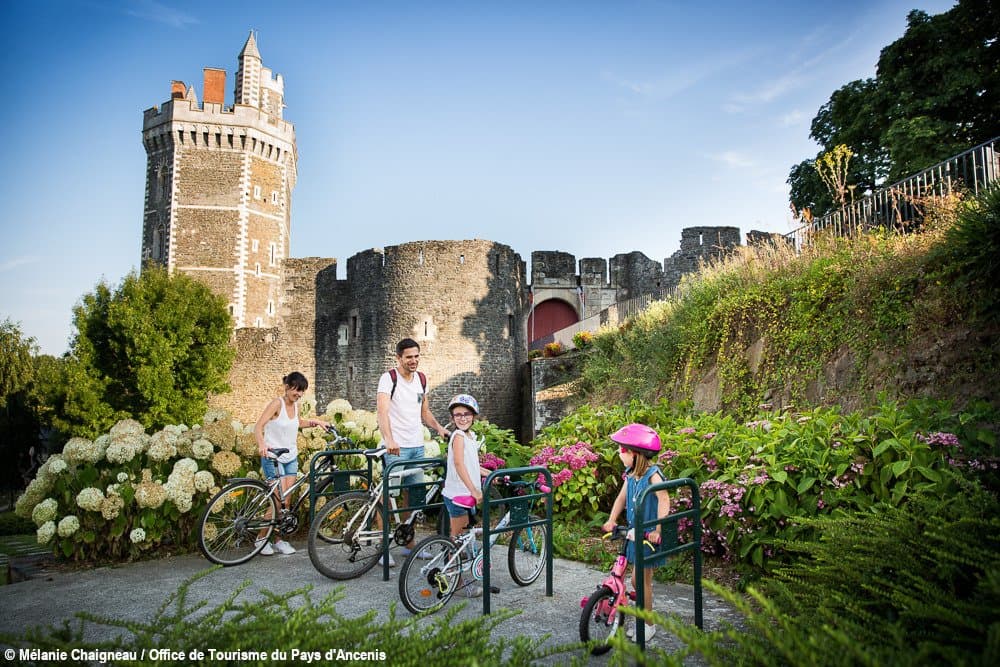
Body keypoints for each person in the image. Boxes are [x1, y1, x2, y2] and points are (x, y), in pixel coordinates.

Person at [376, 338, 449, 566]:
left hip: (417, 447)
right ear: (399, 358)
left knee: (414, 498)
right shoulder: (389, 378)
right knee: (387, 498)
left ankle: (408, 544)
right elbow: (382, 411)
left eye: (416, 356)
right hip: (396, 449)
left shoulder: (422, 379)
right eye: (409, 357)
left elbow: (424, 412)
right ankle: (382, 548)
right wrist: (389, 439)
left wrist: (438, 428)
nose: (413, 361)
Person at [601, 423, 670, 641]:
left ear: (636, 454)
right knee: (634, 581)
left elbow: (664, 498)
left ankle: (648, 625)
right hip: (635, 534)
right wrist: (612, 519)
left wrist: (658, 529)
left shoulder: (653, 475)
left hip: (648, 536)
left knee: (641, 582)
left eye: (622, 450)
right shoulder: (631, 474)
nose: (619, 453)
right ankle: (643, 617)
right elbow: (621, 498)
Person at [253, 371, 329, 555]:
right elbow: (258, 426)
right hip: (273, 458)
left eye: (302, 391)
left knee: (287, 503)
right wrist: (262, 444)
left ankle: (279, 540)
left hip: (290, 458)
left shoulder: (296, 405)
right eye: (297, 390)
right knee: (276, 502)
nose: (299, 394)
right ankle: (261, 540)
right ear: (287, 387)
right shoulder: (276, 404)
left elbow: (297, 422)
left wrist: (316, 422)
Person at [441, 393, 485, 598]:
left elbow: (471, 464)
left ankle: (456, 576)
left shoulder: (470, 436)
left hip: (464, 495)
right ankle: (455, 582)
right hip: (458, 495)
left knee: (461, 538)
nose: (462, 418)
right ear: (452, 418)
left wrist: (491, 473)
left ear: (474, 416)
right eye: (457, 415)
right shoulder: (458, 436)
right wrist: (475, 490)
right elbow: (459, 464)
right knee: (456, 541)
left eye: (466, 414)